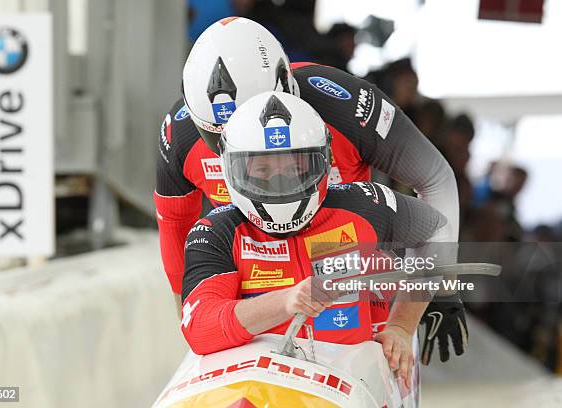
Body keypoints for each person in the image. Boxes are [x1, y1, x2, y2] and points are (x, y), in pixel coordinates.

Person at [154, 17, 464, 364]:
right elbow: (174, 230)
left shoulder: (345, 104)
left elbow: (434, 180)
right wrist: (195, 317)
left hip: (350, 282)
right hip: (256, 289)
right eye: (220, 136)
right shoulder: (180, 136)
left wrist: (420, 303)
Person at [180, 92, 455, 387]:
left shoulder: (363, 205)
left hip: (349, 380)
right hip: (259, 384)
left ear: (321, 163)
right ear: (232, 169)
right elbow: (200, 327)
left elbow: (437, 229)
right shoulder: (216, 232)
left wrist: (402, 325)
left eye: (295, 169)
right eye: (262, 170)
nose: (280, 183)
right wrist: (285, 301)